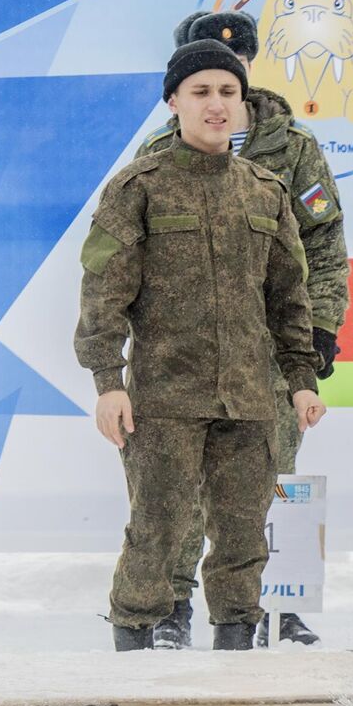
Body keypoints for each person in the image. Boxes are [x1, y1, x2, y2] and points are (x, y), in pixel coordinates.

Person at [75, 41, 324, 654]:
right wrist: (108, 382)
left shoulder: (267, 193)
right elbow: (102, 294)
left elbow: (289, 298)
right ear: (174, 102)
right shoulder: (138, 188)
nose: (217, 105)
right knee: (157, 535)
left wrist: (300, 379)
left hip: (249, 400)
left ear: (242, 103)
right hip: (164, 399)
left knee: (243, 542)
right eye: (201, 92)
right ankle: (132, 657)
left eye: (228, 93)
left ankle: (234, 663)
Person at [140, 11, 349, 649]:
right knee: (179, 488)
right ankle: (173, 607)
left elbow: (327, 243)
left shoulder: (292, 147)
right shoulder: (155, 157)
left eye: (231, 69)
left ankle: (277, 611)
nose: (218, 94)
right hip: (187, 357)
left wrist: (316, 331)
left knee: (270, 478)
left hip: (268, 357)